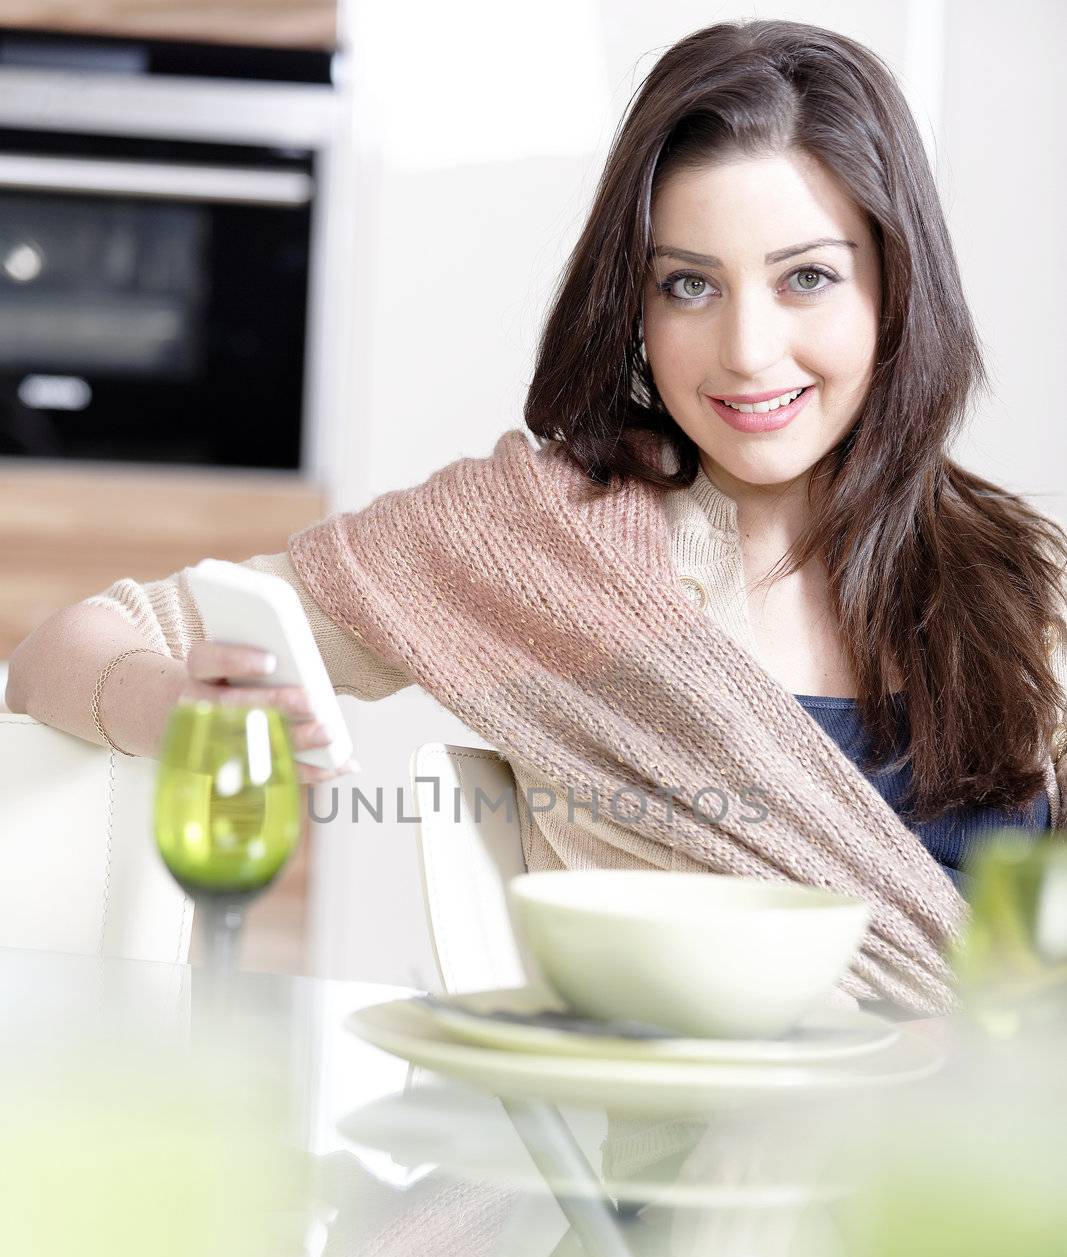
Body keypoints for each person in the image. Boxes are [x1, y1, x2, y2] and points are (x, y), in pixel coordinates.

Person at [8, 18, 1067, 1019]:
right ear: (635, 311)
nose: (746, 349)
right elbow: (63, 647)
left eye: (805, 278)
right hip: (670, 1179)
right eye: (688, 287)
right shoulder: (541, 547)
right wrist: (178, 706)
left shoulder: (1022, 582)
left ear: (894, 288)